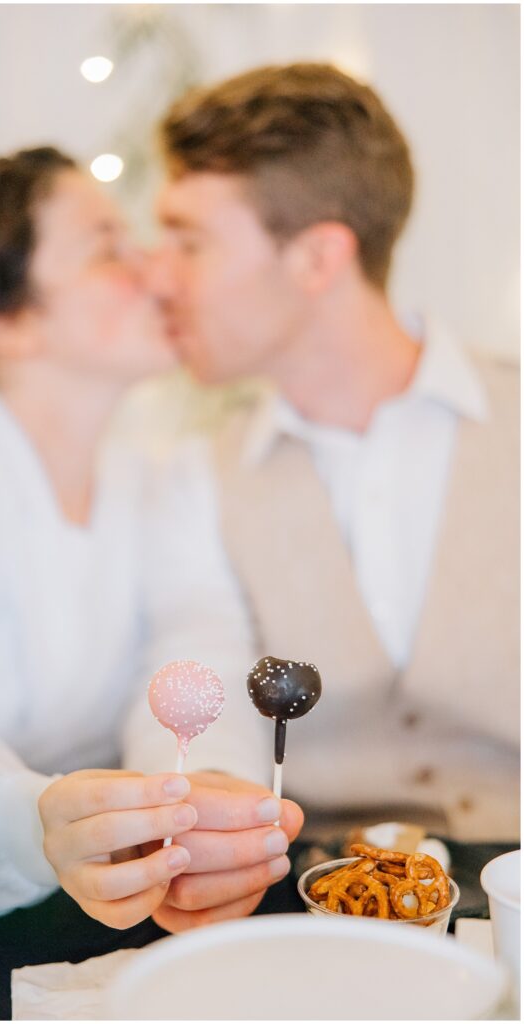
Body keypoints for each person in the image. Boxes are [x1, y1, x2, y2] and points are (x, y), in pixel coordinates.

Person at [0, 147, 302, 928]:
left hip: (110, 904)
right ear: (9, 323)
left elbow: (197, 655)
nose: (157, 271)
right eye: (107, 248)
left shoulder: (159, 483)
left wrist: (202, 796)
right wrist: (32, 820)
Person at [140, 63, 519, 843]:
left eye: (189, 242)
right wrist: (207, 812)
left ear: (316, 259)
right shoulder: (198, 479)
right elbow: (200, 675)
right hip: (307, 886)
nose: (155, 277)